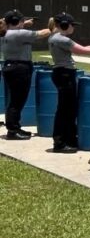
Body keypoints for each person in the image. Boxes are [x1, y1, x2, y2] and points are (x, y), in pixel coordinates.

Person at [47, 12, 90, 153]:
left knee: (67, 109)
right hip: (65, 74)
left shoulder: (55, 37)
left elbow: (80, 49)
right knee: (65, 110)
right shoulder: (62, 39)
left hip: (61, 73)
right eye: (72, 25)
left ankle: (67, 139)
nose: (73, 28)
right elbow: (84, 51)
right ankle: (60, 142)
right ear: (65, 25)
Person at [2, 9, 52, 140]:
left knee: (14, 100)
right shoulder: (20, 34)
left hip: (11, 66)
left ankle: (15, 127)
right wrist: (55, 27)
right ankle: (13, 130)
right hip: (19, 68)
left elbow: (13, 27)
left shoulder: (5, 32)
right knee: (17, 101)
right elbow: (42, 33)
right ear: (18, 21)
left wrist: (24, 23)